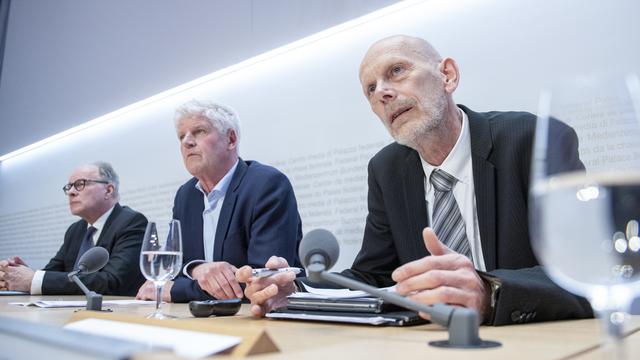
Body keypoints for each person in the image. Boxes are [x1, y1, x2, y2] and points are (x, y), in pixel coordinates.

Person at [236, 35, 593, 325]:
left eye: (397, 71)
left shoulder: (532, 140)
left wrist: (491, 292)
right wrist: (296, 291)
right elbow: (374, 276)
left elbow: (590, 270)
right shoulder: (386, 170)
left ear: (448, 75)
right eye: (371, 90)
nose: (383, 93)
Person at [136, 100, 303, 303]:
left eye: (199, 131)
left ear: (231, 139)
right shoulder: (185, 195)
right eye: (181, 136)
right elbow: (174, 269)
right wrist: (196, 268)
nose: (186, 142)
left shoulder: (266, 185)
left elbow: (262, 282)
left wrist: (177, 291)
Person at [0, 162, 147, 296]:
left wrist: (34, 279)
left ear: (108, 190)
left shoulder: (132, 222)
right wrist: (20, 274)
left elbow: (112, 281)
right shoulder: (75, 230)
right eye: (69, 187)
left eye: (80, 184)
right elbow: (53, 272)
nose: (71, 192)